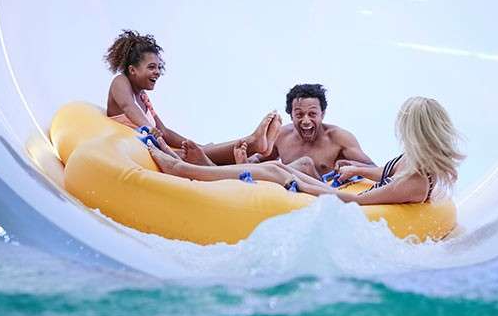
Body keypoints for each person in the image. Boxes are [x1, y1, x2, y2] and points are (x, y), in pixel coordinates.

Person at [148, 96, 465, 205]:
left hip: (345, 204)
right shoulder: (414, 164)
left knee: (280, 171)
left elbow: (354, 202)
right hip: (343, 190)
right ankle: (202, 164)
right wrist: (357, 170)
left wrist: (302, 185)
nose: (305, 120)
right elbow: (383, 173)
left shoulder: (416, 182)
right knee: (285, 166)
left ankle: (186, 170)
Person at [104, 30, 280, 165]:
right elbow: (128, 106)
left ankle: (252, 153)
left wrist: (194, 144)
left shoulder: (142, 97)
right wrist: (149, 129)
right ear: (132, 69)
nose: (157, 72)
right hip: (137, 150)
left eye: (159, 67)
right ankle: (254, 144)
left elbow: (164, 131)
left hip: (153, 146)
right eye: (151, 67)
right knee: (195, 155)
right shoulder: (120, 82)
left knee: (202, 150)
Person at [235, 84, 375, 179]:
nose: (306, 121)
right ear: (291, 116)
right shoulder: (282, 136)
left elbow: (372, 168)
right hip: (289, 193)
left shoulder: (339, 138)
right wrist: (245, 160)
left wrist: (352, 165)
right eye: (299, 114)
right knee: (280, 165)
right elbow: (259, 159)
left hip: (322, 194)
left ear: (323, 114)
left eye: (312, 114)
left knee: (305, 164)